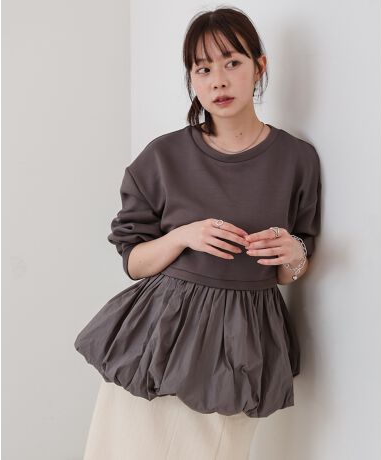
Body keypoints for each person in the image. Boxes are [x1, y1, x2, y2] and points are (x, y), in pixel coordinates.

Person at [74, 6, 322, 459]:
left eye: (232, 63)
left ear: (259, 67)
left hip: (242, 341)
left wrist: (294, 253)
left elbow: (289, 272)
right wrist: (183, 236)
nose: (218, 82)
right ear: (191, 78)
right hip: (159, 339)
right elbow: (134, 262)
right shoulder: (163, 157)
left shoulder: (296, 159)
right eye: (203, 69)